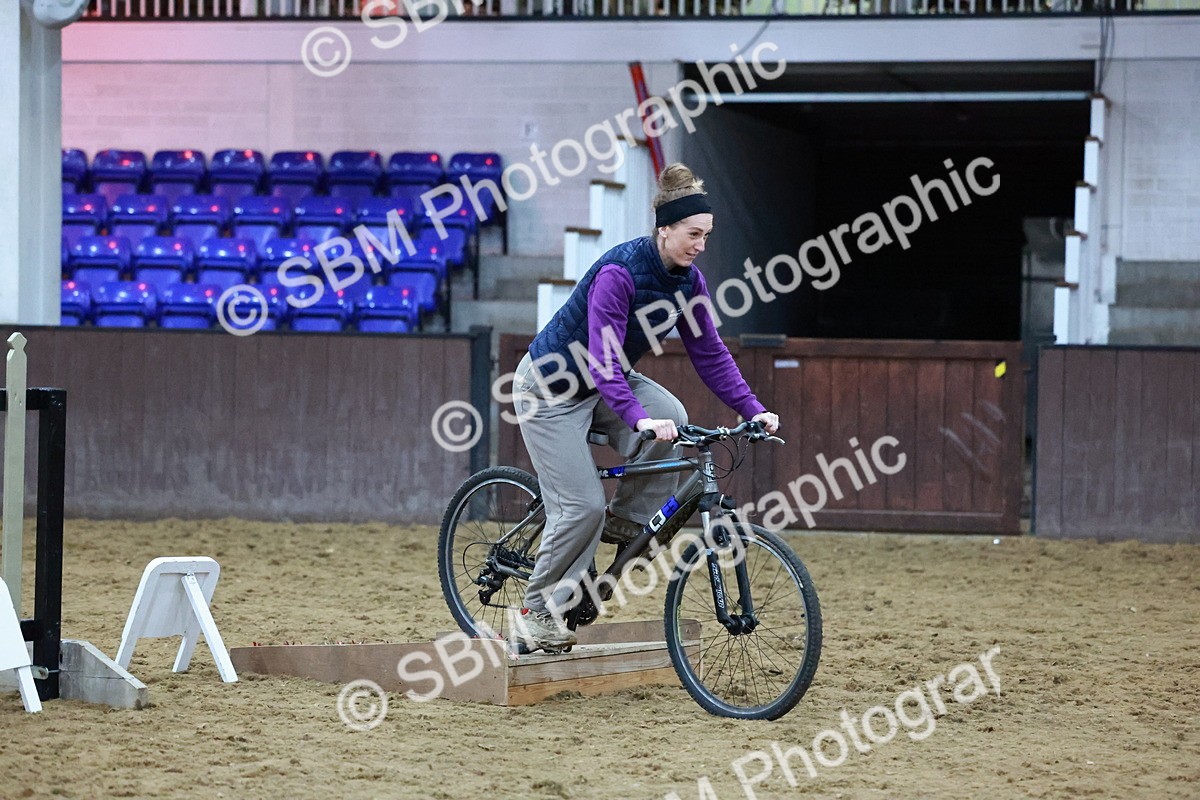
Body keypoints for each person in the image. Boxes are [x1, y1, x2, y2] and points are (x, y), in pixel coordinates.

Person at [510, 163, 780, 652]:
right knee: (580, 507)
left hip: (604, 383)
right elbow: (604, 360)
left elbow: (711, 354)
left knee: (675, 417)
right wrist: (636, 418)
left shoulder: (689, 283)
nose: (701, 244)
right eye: (693, 234)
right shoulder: (619, 274)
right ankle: (534, 613)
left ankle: (626, 520)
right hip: (549, 390)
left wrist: (752, 409)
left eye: (706, 235)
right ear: (665, 230)